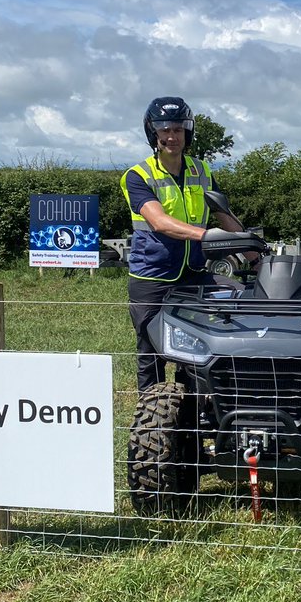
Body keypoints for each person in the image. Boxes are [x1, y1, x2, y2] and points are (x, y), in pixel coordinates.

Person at [120, 96, 243, 394]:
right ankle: (151, 422)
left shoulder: (202, 171)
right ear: (154, 133)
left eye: (178, 129)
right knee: (152, 351)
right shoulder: (138, 176)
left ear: (188, 132)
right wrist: (206, 236)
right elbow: (160, 222)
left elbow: (223, 214)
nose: (172, 136)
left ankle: (194, 411)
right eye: (165, 130)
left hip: (194, 273)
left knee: (228, 306)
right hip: (152, 276)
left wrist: (255, 249)